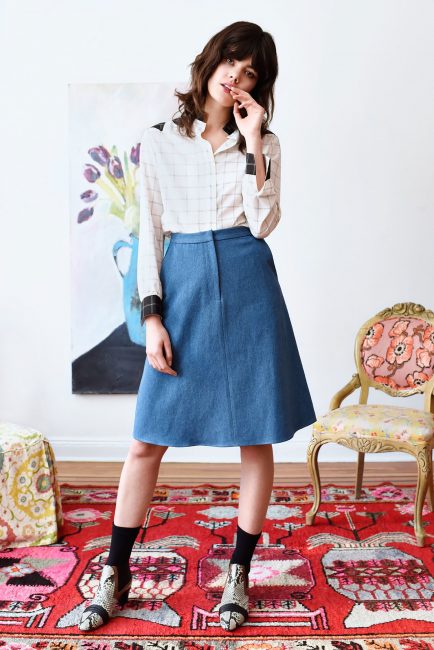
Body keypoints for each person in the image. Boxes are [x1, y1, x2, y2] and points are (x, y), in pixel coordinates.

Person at [78, 20, 316, 634]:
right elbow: (150, 233)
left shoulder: (264, 142)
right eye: (232, 60)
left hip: (247, 281)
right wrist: (152, 314)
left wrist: (253, 138)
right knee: (145, 441)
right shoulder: (159, 140)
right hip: (182, 284)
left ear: (259, 86)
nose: (236, 74)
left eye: (251, 71)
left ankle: (238, 572)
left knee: (256, 438)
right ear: (212, 60)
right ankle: (116, 572)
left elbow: (263, 223)